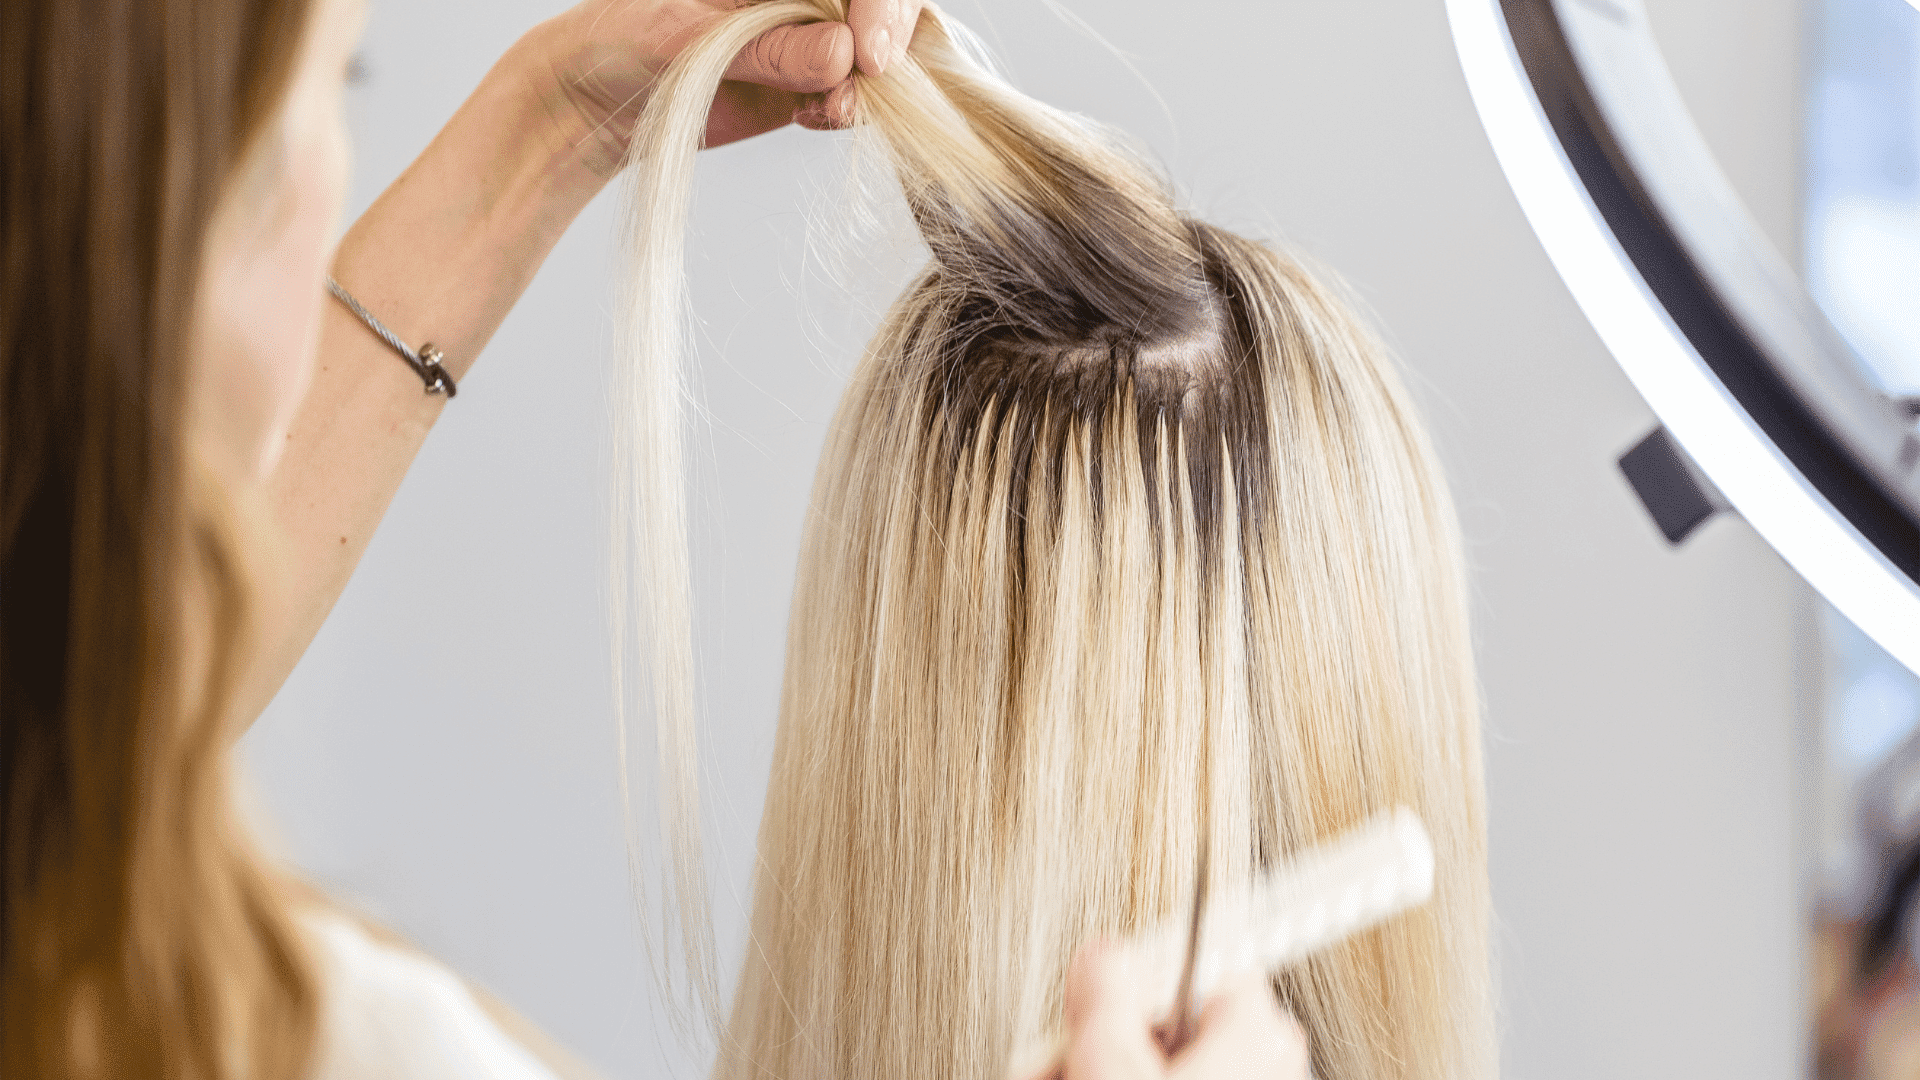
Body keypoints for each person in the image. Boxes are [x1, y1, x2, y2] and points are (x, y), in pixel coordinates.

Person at [0, 0, 1310, 1077]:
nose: (328, 171)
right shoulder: (289, 1036)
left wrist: (555, 120)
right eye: (338, 84)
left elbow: (69, 717)